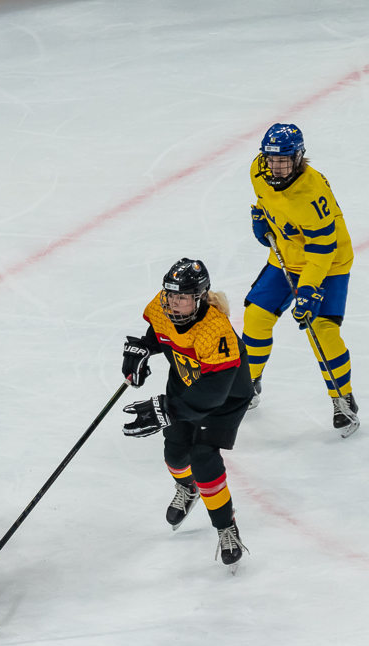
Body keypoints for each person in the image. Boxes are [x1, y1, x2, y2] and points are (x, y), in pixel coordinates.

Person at [121, 258, 253, 569]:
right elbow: (160, 333)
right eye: (171, 295)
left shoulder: (215, 331)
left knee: (203, 457)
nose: (174, 303)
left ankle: (226, 528)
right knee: (175, 453)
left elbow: (213, 394)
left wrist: (167, 409)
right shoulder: (163, 306)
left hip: (225, 397)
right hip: (185, 382)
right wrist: (143, 348)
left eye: (183, 297)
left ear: (200, 298)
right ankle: (187, 487)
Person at [243, 123, 356, 430]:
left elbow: (322, 251)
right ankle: (248, 384)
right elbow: (263, 199)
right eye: (271, 159)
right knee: (255, 318)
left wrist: (307, 290)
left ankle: (342, 398)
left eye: (283, 160)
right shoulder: (258, 168)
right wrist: (260, 217)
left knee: (321, 330)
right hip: (284, 259)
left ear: (298, 158)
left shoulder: (311, 194)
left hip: (329, 264)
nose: (275, 166)